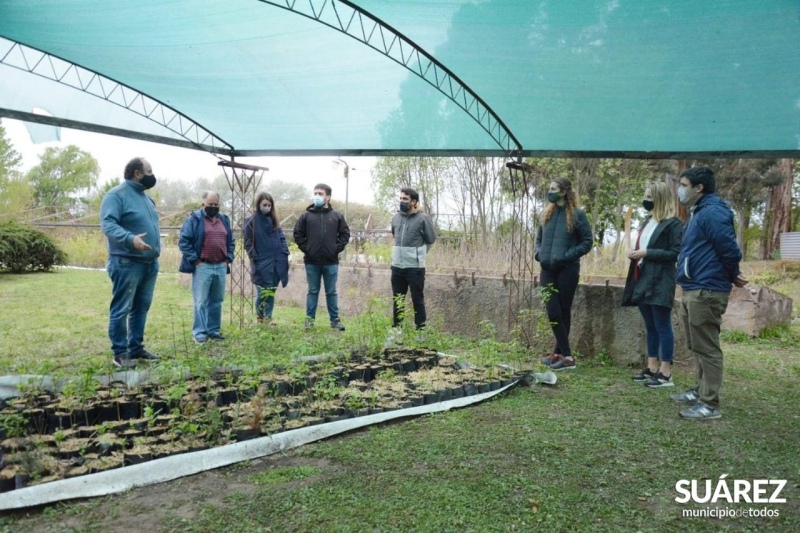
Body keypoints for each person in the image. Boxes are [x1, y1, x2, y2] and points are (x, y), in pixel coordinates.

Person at [670, 166, 747, 420]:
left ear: (698, 188)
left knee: (708, 347)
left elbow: (729, 248)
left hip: (707, 289)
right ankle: (699, 390)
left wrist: (733, 272)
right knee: (696, 344)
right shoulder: (699, 212)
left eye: (683, 185)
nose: (680, 190)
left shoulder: (712, 212)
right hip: (694, 287)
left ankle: (709, 403)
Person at [100, 157, 162, 368]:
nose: (153, 175)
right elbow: (108, 224)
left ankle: (136, 348)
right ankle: (120, 353)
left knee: (141, 308)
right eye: (149, 170)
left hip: (149, 263)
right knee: (122, 308)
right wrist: (130, 239)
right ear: (137, 173)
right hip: (127, 262)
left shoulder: (146, 198)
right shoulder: (116, 196)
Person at [622, 181, 683, 388]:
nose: (646, 200)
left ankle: (666, 373)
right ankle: (652, 367)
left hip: (661, 280)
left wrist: (647, 253)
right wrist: (634, 253)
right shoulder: (647, 221)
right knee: (650, 325)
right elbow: (642, 246)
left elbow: (676, 253)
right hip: (642, 277)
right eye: (645, 196)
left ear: (661, 199)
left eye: (650, 197)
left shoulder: (673, 224)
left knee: (662, 325)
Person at [535, 177, 593, 371]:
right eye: (549, 188)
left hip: (568, 269)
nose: (549, 192)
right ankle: (563, 354)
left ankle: (564, 355)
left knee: (563, 310)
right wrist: (539, 254)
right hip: (547, 270)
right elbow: (538, 240)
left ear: (564, 192)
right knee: (552, 310)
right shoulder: (546, 215)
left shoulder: (578, 215)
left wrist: (566, 257)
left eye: (553, 189)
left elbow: (586, 242)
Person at [178, 191, 235, 344]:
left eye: (216, 204)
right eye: (210, 204)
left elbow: (231, 241)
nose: (213, 207)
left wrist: (228, 259)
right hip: (203, 266)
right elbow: (184, 242)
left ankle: (213, 330)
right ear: (203, 204)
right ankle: (199, 332)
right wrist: (196, 261)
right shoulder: (194, 220)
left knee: (217, 300)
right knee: (201, 301)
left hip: (221, 266)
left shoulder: (224, 220)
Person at [293, 183, 350, 331]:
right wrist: (307, 249)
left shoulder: (336, 216)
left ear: (328, 197)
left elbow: (345, 234)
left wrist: (336, 249)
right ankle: (309, 320)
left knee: (331, 292)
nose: (317, 196)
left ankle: (335, 321)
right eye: (315, 193)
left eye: (320, 194)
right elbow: (297, 234)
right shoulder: (306, 216)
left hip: (331, 262)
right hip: (312, 262)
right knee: (312, 291)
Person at [390, 187, 437, 334]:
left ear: (414, 201)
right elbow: (394, 235)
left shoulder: (423, 218)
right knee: (398, 301)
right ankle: (397, 332)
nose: (402, 201)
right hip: (397, 267)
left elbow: (431, 240)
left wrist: (419, 255)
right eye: (401, 199)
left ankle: (420, 332)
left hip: (415, 268)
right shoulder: (396, 218)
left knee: (417, 300)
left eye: (405, 199)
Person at [244, 192, 289, 324]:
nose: (267, 207)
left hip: (276, 262)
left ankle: (268, 318)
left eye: (269, 205)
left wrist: (284, 253)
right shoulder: (251, 220)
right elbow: (248, 242)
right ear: (258, 204)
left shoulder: (273, 219)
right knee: (262, 292)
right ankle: (260, 317)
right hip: (261, 263)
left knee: (271, 292)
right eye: (264, 205)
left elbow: (281, 238)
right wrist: (256, 258)